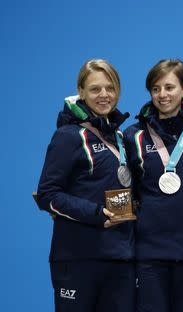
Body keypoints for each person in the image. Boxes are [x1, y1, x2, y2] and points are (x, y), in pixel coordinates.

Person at [37, 59, 135, 312]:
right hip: (78, 258)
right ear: (81, 92)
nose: (104, 95)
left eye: (110, 88)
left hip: (120, 258)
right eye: (95, 89)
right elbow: (48, 194)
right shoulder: (68, 136)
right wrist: (94, 213)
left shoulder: (121, 138)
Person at [123, 59, 183, 312]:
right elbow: (125, 189)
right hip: (150, 253)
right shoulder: (134, 136)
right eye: (155, 89)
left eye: (169, 87)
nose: (162, 95)